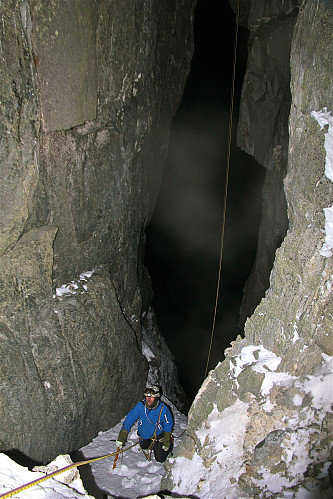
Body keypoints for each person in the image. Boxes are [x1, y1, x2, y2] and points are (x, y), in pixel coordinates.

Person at [116, 385, 174, 462]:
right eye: (147, 396)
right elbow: (130, 419)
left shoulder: (163, 409)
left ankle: (168, 445)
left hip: (157, 435)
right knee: (144, 446)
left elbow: (168, 423)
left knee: (160, 458)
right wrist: (122, 436)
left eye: (151, 397)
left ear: (156, 397)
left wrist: (166, 440)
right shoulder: (140, 406)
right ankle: (151, 444)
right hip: (145, 435)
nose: (149, 399)